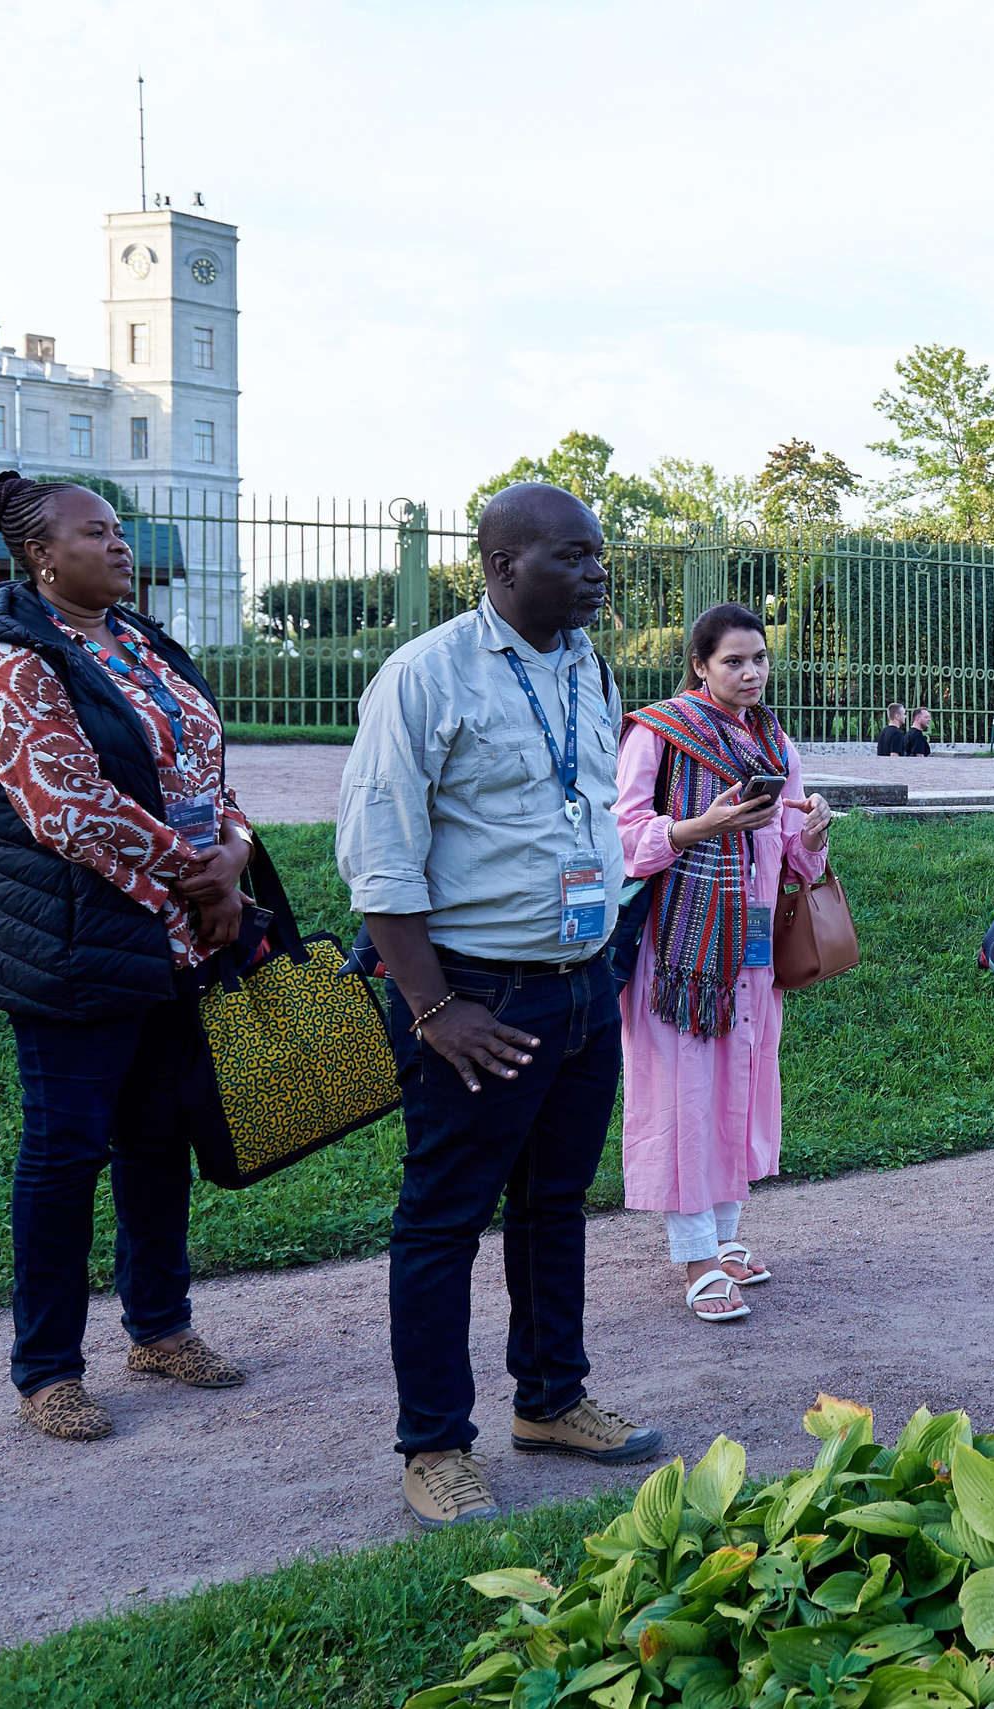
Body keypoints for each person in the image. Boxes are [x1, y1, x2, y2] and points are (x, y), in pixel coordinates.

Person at [338, 480, 663, 1532]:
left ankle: (552, 1400)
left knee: (553, 1205)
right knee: (443, 1219)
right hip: (475, 997)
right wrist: (435, 1009)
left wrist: (599, 967)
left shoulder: (587, 666)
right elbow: (380, 860)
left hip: (581, 987)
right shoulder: (424, 676)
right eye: (574, 555)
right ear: (502, 566)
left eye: (599, 553)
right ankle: (434, 1444)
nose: (597, 571)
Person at [0, 471, 256, 1442]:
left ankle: (160, 1327)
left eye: (120, 530)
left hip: (171, 931)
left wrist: (233, 850)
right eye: (96, 532)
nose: (120, 544)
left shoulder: (139, 641)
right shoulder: (11, 657)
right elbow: (67, 805)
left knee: (158, 1138)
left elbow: (201, 767)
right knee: (66, 1149)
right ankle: (47, 1370)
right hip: (71, 936)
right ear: (40, 554)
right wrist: (199, 878)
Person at [615, 602, 831, 1324]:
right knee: (685, 1092)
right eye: (733, 661)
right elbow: (623, 835)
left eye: (759, 658)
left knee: (742, 1082)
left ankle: (726, 1236)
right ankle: (695, 1255)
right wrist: (697, 828)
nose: (751, 672)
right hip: (680, 954)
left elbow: (793, 856)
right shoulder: (660, 732)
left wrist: (814, 831)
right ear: (699, 666)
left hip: (751, 945)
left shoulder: (773, 741)